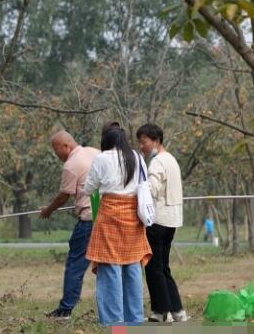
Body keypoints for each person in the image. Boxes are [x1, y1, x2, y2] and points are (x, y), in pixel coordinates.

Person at [84, 125, 153, 325]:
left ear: (106, 141)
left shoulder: (102, 158)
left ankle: (114, 322)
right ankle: (135, 319)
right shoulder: (137, 157)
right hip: (133, 218)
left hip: (110, 217)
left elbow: (90, 187)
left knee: (110, 268)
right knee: (133, 267)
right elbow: (144, 183)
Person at [40, 131, 100, 319]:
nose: (56, 155)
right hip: (106, 218)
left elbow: (64, 195)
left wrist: (48, 210)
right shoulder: (95, 152)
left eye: (56, 151)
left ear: (66, 147)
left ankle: (65, 310)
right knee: (109, 266)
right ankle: (115, 312)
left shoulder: (71, 165)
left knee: (75, 264)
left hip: (88, 220)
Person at [137, 123, 188, 322]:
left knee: (154, 267)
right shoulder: (171, 159)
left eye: (144, 142)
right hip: (172, 220)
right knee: (163, 266)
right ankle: (175, 310)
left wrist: (137, 191)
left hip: (157, 220)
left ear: (156, 140)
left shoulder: (157, 162)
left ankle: (161, 312)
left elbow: (151, 189)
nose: (141, 146)